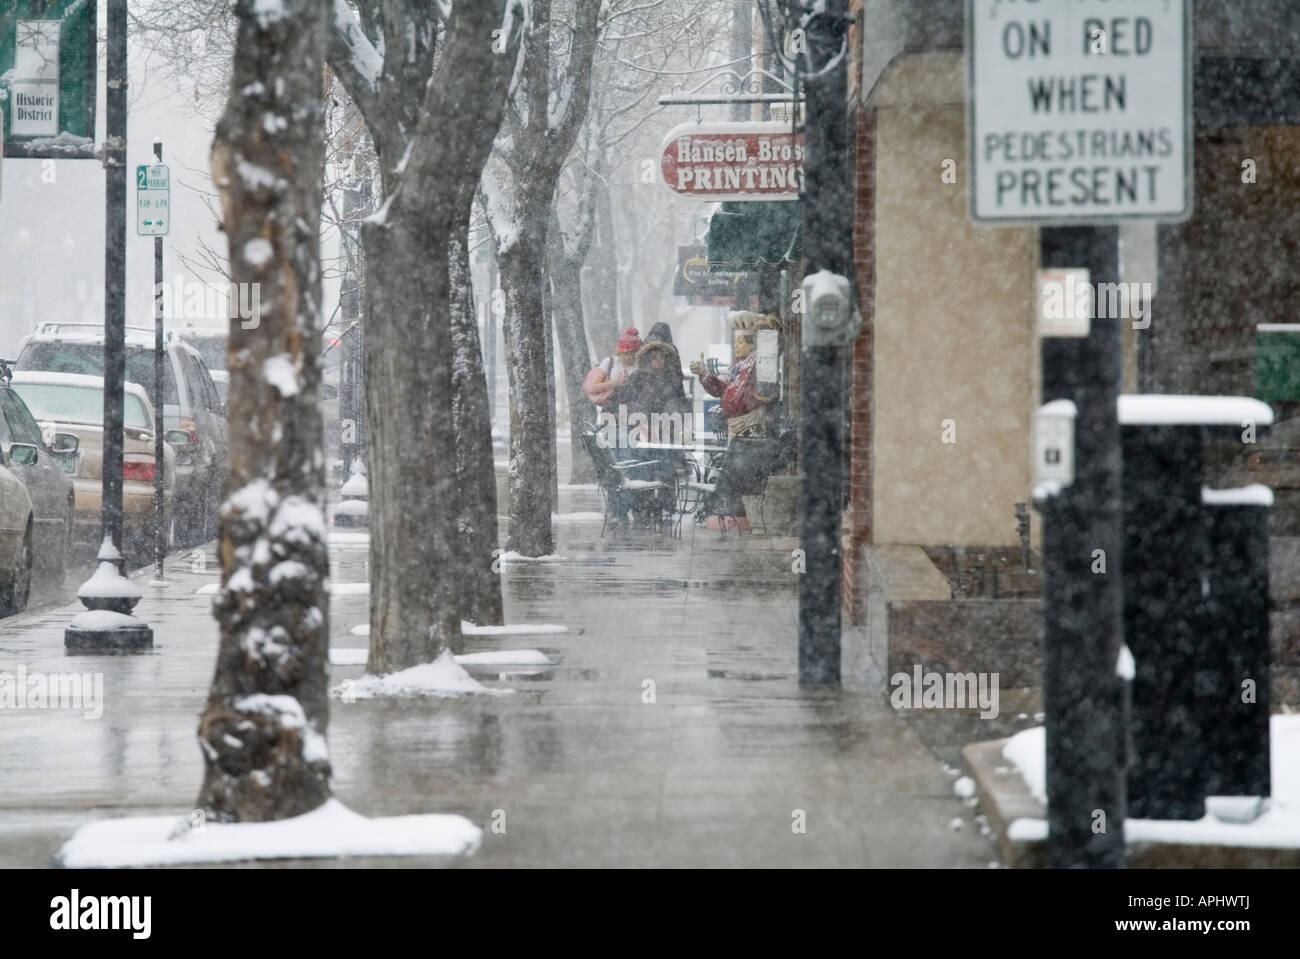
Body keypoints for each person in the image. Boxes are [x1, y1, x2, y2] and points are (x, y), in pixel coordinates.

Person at [688, 311, 781, 531]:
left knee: (736, 476)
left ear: (753, 342)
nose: (737, 346)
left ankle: (730, 517)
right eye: (736, 340)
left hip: (751, 428)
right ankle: (732, 517)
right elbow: (723, 390)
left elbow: (752, 394)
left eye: (741, 341)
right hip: (738, 429)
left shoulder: (758, 361)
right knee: (735, 475)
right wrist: (705, 374)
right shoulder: (740, 366)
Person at [583, 327, 642, 411]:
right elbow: (592, 388)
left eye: (632, 354)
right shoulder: (610, 362)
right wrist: (615, 382)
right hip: (611, 410)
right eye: (625, 354)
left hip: (634, 412)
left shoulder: (641, 367)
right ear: (620, 352)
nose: (628, 357)